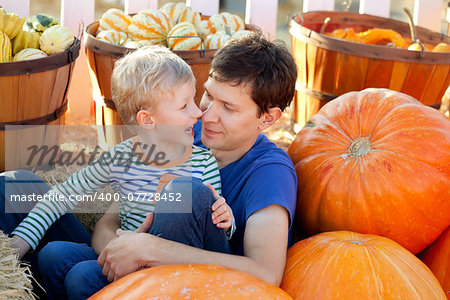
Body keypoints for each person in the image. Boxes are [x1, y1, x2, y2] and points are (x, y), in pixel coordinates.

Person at [3, 46, 235, 299]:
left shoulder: (203, 162)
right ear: (147, 120)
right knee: (53, 254)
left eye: (194, 100)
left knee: (82, 277)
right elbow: (62, 196)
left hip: (180, 273)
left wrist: (227, 221)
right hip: (126, 264)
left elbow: (216, 232)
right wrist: (18, 243)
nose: (197, 112)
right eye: (184, 106)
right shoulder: (120, 159)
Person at [95, 32, 298, 287]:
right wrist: (119, 249)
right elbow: (110, 219)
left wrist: (153, 250)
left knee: (186, 191)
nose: (206, 115)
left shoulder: (270, 174)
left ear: (267, 118)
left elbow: (267, 273)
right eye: (209, 96)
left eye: (228, 108)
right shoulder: (188, 132)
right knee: (58, 256)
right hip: (136, 271)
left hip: (205, 287)